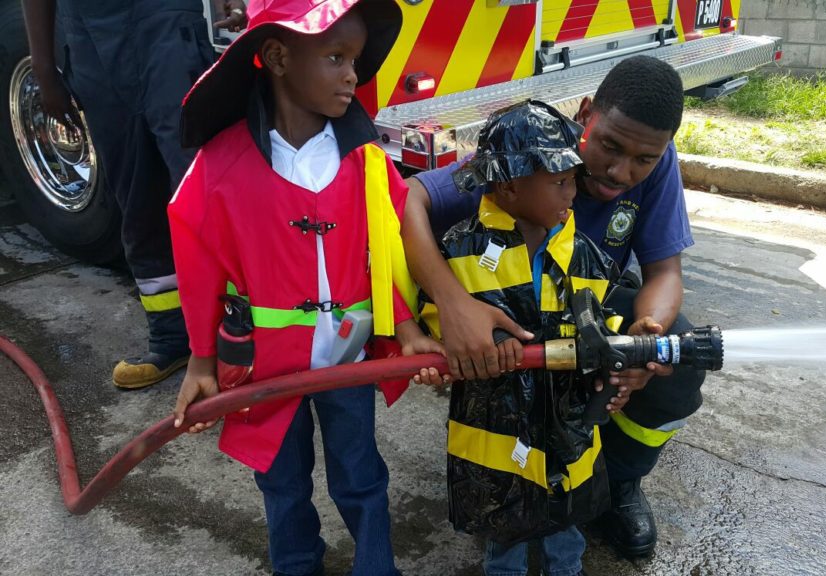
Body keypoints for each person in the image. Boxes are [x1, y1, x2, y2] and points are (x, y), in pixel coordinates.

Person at [167, 1, 441, 575]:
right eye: (336, 57)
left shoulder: (367, 159)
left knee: (361, 477)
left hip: (347, 359)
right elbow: (199, 263)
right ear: (277, 57)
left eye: (356, 60)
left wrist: (407, 327)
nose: (352, 75)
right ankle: (295, 566)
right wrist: (200, 360)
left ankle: (377, 569)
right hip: (265, 369)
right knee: (282, 483)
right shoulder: (222, 164)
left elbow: (388, 248)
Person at [403, 55, 705, 558]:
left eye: (643, 160)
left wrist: (644, 333)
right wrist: (453, 305)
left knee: (678, 364)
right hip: (516, 316)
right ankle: (509, 483)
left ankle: (617, 483)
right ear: (586, 114)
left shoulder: (656, 157)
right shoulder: (527, 149)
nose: (620, 171)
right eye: (609, 146)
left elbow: (665, 272)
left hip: (588, 308)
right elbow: (409, 197)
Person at [418, 99, 621, 576]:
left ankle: (565, 569)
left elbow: (605, 316)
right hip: (494, 422)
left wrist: (610, 353)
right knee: (502, 516)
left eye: (572, 179)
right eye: (560, 182)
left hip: (566, 419)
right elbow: (436, 315)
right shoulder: (460, 250)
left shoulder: (584, 256)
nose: (573, 192)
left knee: (565, 517)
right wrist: (467, 343)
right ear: (509, 186)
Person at [22, 0, 247, 389]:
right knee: (135, 194)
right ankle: (171, 336)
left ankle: (237, 337)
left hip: (165, 22)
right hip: (91, 38)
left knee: (201, 186)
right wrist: (43, 69)